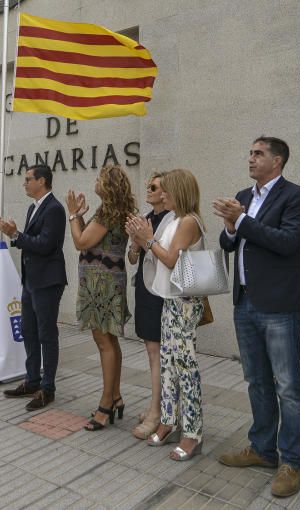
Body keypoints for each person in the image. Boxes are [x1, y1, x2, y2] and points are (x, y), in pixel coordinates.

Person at [213, 137, 300, 498]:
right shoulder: (244, 195)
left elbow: (287, 242)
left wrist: (240, 219)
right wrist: (229, 225)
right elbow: (230, 244)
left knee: (288, 385)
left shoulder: (296, 196)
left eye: (258, 154)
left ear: (278, 160)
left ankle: (293, 461)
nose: (251, 158)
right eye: (250, 152)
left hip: (281, 304)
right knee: (256, 379)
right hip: (246, 302)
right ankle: (262, 449)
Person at [127, 168, 206, 462]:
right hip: (168, 300)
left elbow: (171, 259)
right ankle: (169, 421)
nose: (163, 195)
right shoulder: (173, 219)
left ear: (179, 193)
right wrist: (140, 239)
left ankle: (193, 433)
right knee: (168, 365)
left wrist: (147, 240)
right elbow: (151, 253)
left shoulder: (188, 221)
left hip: (184, 302)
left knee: (185, 368)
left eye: (168, 191)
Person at [66, 164, 137, 431]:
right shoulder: (112, 211)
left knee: (104, 341)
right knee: (109, 341)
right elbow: (92, 240)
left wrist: (72, 214)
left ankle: (106, 404)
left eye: (99, 178)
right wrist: (81, 218)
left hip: (101, 285)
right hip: (106, 281)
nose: (95, 181)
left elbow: (81, 242)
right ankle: (115, 396)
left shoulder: (108, 212)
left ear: (107, 185)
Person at [0, 164, 67, 411]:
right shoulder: (33, 207)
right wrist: (14, 235)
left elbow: (46, 244)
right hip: (31, 280)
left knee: (46, 334)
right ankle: (32, 380)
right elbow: (31, 243)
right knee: (29, 331)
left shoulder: (55, 208)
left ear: (42, 181)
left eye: (28, 179)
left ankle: (47, 388)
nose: (24, 183)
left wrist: (16, 234)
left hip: (48, 280)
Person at [128, 171, 171, 439]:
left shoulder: (172, 220)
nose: (149, 189)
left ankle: (158, 411)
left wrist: (145, 239)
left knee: (158, 352)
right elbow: (134, 258)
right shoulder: (146, 218)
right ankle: (157, 405)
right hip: (145, 288)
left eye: (154, 186)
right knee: (151, 350)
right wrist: (134, 243)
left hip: (161, 291)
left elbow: (167, 256)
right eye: (148, 185)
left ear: (166, 191)